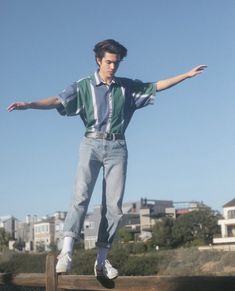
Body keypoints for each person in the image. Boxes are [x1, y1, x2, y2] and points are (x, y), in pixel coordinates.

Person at [7, 39, 207, 279]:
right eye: (109, 62)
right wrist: (30, 104)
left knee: (113, 205)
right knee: (80, 195)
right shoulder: (84, 86)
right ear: (98, 60)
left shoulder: (126, 87)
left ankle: (101, 261)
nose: (113, 67)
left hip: (118, 146)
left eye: (117, 63)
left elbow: (155, 86)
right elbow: (57, 100)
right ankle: (67, 252)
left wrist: (186, 75)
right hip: (91, 143)